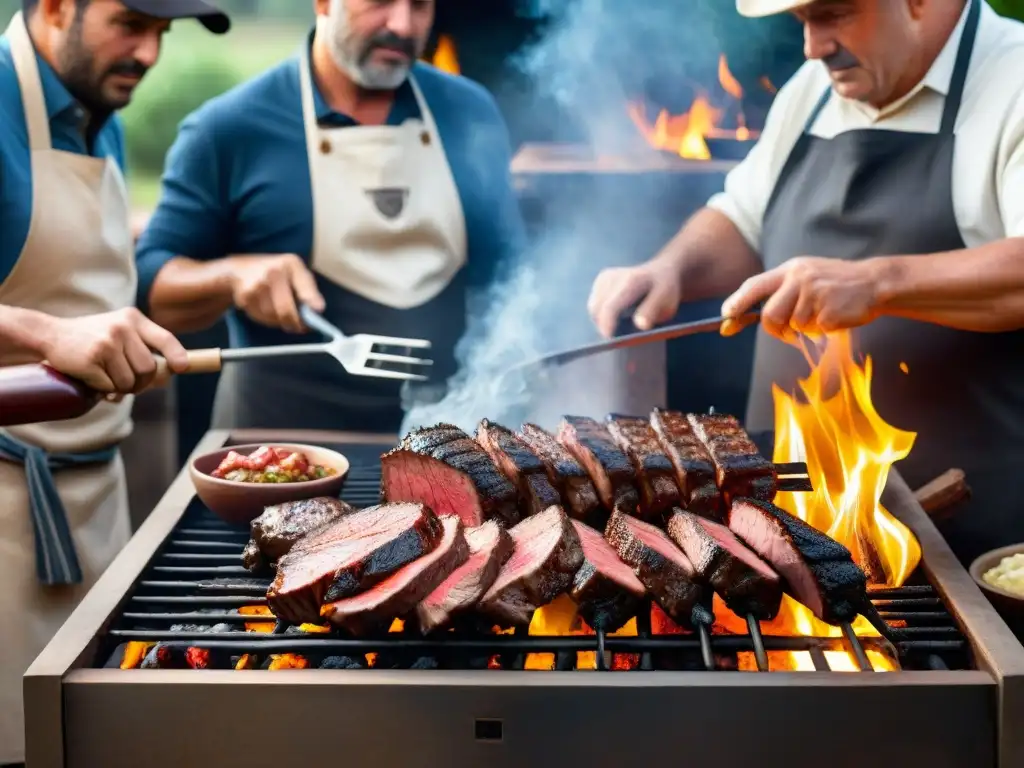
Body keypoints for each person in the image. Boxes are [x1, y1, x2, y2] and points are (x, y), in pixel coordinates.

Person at [587, 0, 1024, 566]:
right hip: (786, 533)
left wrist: (876, 281)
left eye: (834, 14)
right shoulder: (814, 88)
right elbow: (744, 218)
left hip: (961, 541)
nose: (813, 46)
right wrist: (669, 269)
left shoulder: (1012, 80)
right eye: (802, 21)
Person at [0, 0, 227, 764]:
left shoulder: (95, 106)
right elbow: (57, 317)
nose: (151, 51)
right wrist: (48, 333)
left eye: (165, 31)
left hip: (99, 498)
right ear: (58, 4)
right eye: (132, 22)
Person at [135, 0, 527, 434]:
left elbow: (511, 276)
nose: (402, 25)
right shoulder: (229, 128)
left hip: (450, 442)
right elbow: (152, 283)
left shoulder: (470, 112)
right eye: (380, 2)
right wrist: (232, 277)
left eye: (420, 5)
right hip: (281, 453)